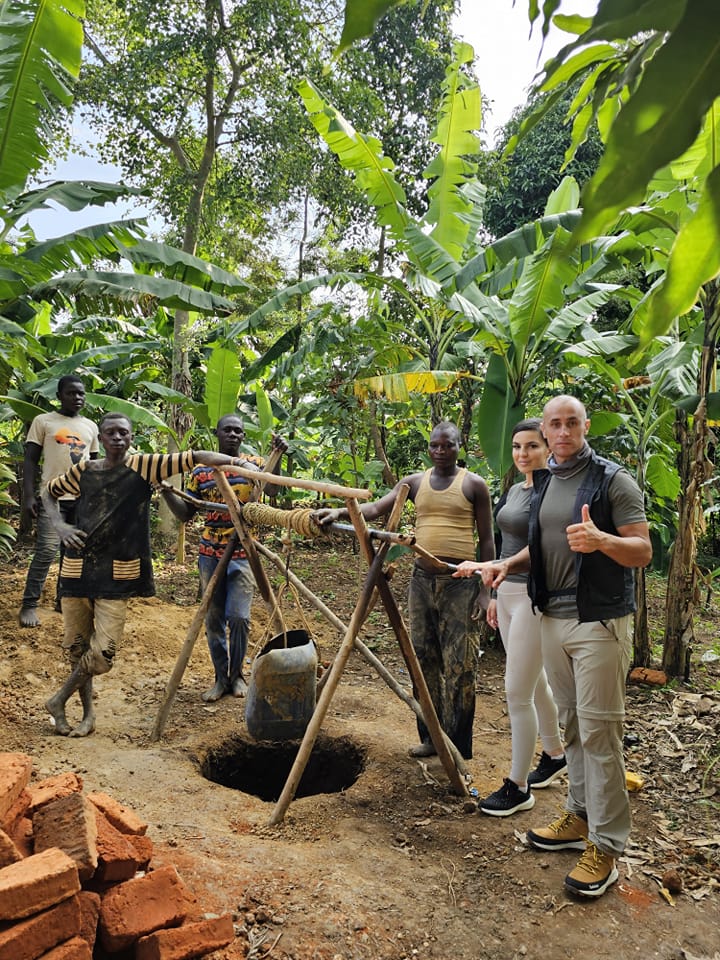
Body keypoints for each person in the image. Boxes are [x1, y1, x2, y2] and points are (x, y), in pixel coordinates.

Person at [456, 396, 651, 898]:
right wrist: (505, 566)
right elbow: (539, 548)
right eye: (554, 424)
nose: (562, 431)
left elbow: (642, 550)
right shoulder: (545, 482)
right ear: (546, 430)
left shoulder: (612, 480)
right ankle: (580, 818)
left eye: (571, 422)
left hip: (597, 621)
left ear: (585, 425)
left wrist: (602, 540)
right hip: (551, 617)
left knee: (601, 734)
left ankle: (606, 848)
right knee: (572, 728)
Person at [41, 412, 254, 737]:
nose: (116, 438)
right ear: (102, 436)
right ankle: (85, 715)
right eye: (110, 433)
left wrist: (241, 466)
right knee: (77, 647)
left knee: (102, 654)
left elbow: (196, 457)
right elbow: (49, 493)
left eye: (122, 433)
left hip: (117, 574)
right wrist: (60, 526)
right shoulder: (83, 470)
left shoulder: (143, 465)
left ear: (131, 438)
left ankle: (58, 699)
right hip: (75, 568)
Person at [314, 421, 494, 760]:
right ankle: (431, 737)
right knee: (422, 659)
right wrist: (339, 510)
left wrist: (486, 591)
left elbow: (486, 539)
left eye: (448, 446)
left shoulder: (474, 485)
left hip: (461, 584)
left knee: (460, 666)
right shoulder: (413, 482)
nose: (440, 452)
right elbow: (375, 509)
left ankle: (458, 747)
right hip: (421, 582)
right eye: (435, 446)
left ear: (460, 446)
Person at [468, 419, 566, 817]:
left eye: (532, 447)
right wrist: (492, 592)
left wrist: (504, 571)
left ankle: (518, 785)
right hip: (506, 593)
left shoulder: (552, 491)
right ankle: (556, 754)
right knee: (533, 680)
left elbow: (542, 548)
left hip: (532, 596)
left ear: (548, 448)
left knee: (516, 692)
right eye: (517, 447)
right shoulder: (515, 488)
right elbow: (505, 542)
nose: (523, 454)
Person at [161, 415, 287, 702]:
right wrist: (167, 493)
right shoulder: (202, 471)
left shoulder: (254, 465)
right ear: (216, 433)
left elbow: (273, 488)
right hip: (210, 554)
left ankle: (238, 675)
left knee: (239, 617)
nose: (232, 434)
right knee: (214, 619)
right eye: (227, 430)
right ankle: (221, 678)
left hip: (244, 553)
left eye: (238, 431)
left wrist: (276, 456)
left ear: (243, 437)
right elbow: (186, 513)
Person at [18, 375, 100, 628]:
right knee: (45, 551)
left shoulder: (91, 426)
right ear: (59, 395)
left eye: (81, 394)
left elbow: (95, 465)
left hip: (80, 499)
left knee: (73, 554)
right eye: (71, 393)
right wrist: (28, 496)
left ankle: (61, 600)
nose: (77, 398)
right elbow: (30, 461)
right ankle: (29, 605)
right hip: (51, 497)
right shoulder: (44, 421)